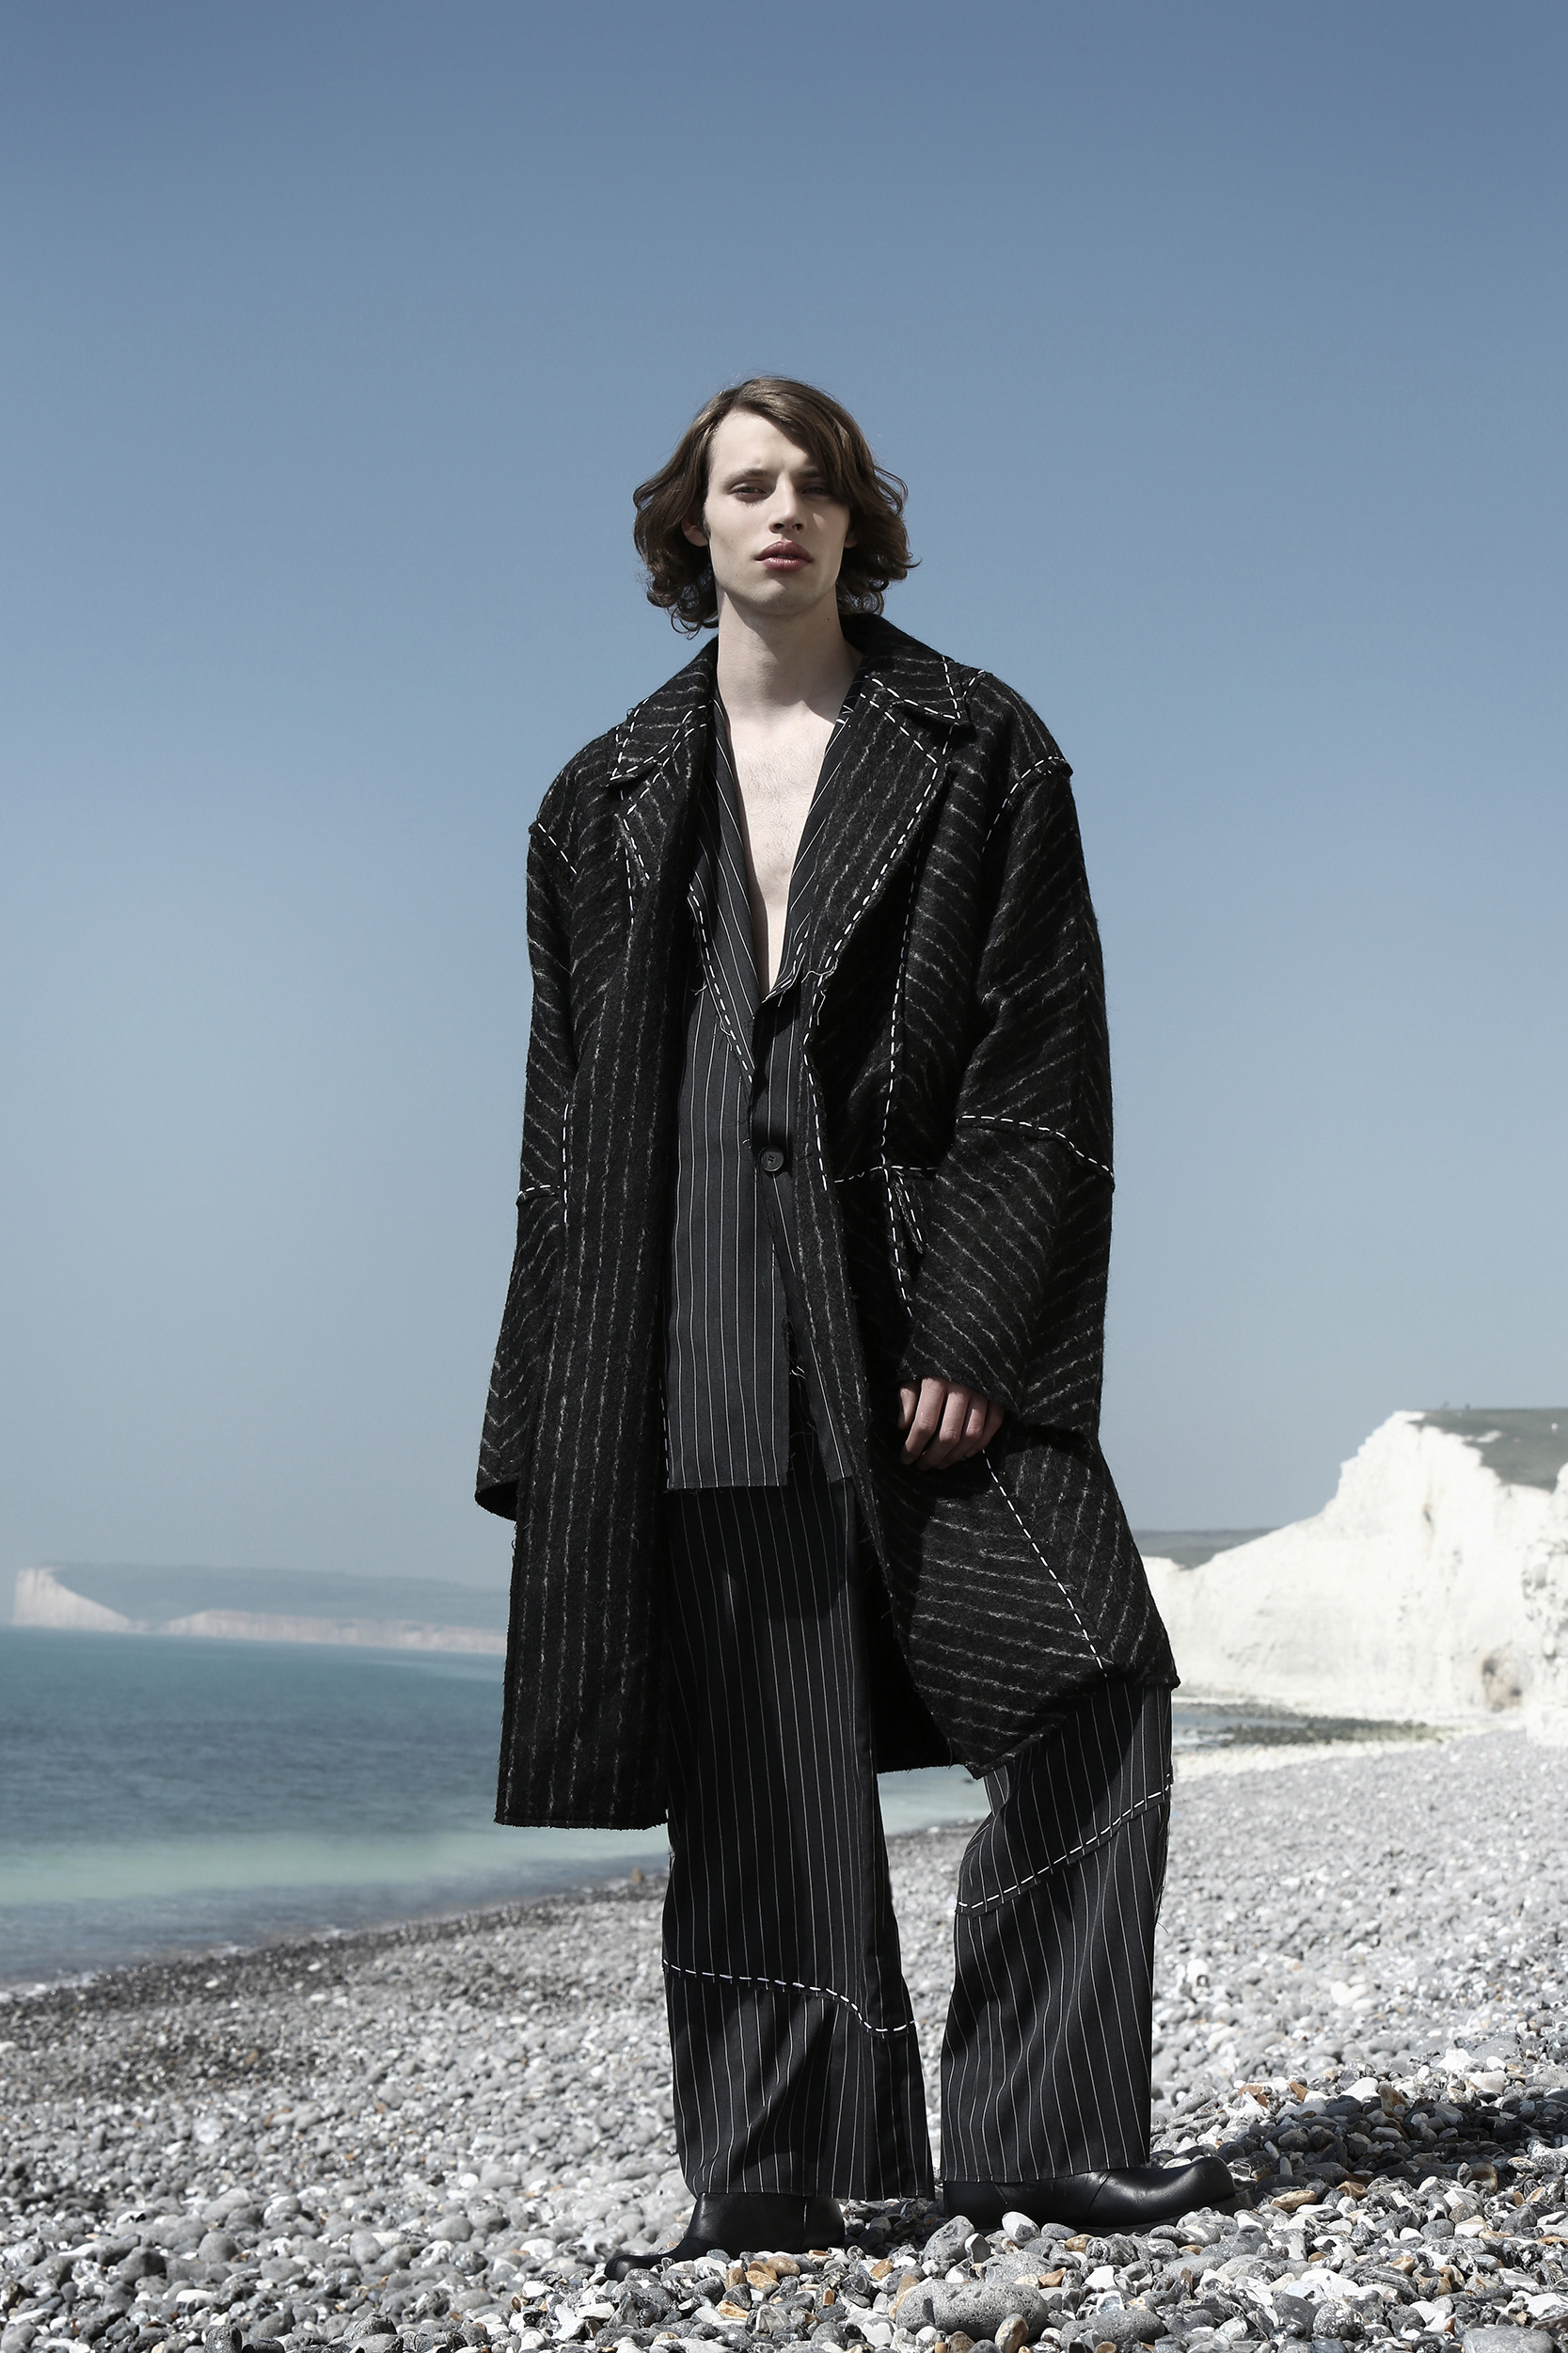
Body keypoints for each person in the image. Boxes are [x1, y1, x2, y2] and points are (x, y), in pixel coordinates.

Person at [477, 378, 1228, 2258]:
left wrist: (980, 1327)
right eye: (748, 483)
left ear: (856, 521)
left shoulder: (977, 743)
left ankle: (1044, 2128)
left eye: (816, 482)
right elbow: (561, 1131)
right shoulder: (598, 796)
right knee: (759, 1757)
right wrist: (545, 1412)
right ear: (692, 525)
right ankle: (787, 2168)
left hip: (912, 1302)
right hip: (691, 1311)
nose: (784, 509)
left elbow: (1041, 1070)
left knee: (1090, 1677)